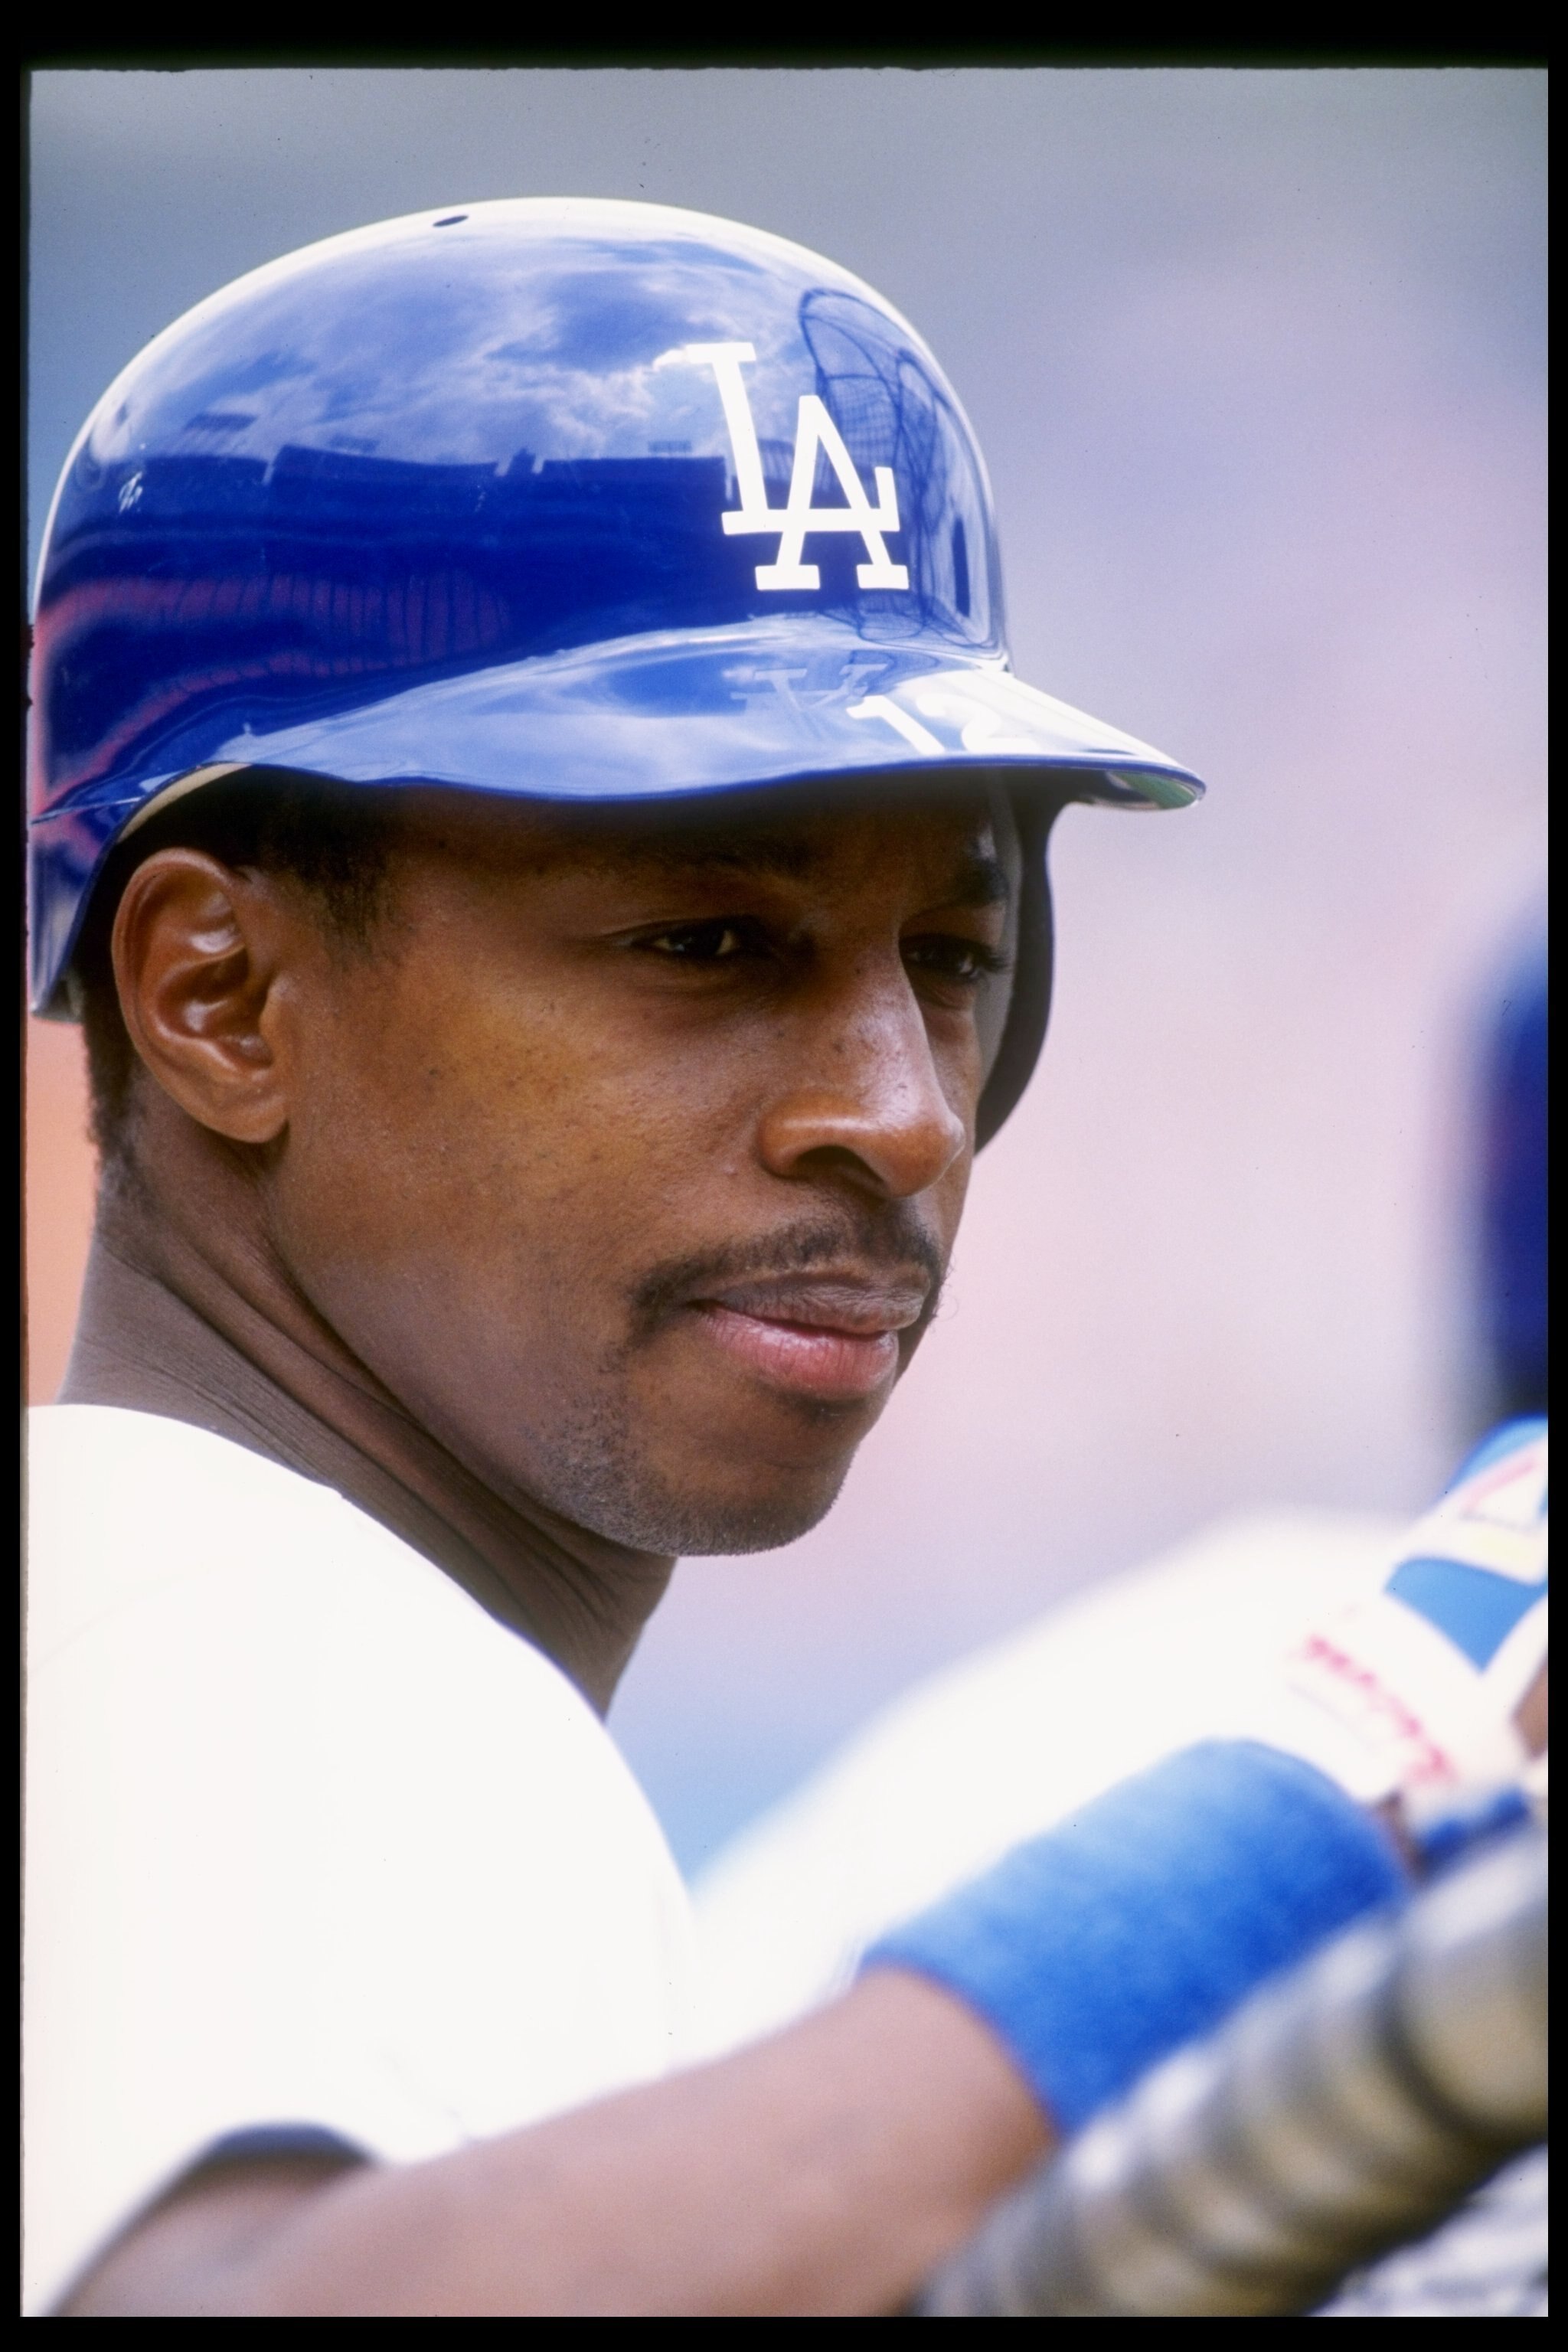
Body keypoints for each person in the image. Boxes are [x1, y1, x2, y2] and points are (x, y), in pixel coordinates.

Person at [21, 199, 1535, 2319]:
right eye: (704, 944)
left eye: (953, 959)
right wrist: (1295, 1834)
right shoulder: (210, 1621)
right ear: (218, 998)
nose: (900, 1106)